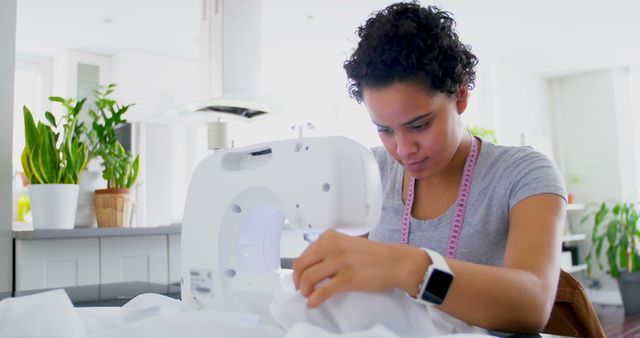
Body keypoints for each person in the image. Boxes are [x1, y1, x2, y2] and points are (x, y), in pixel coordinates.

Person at [293, 1, 567, 334]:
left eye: (420, 125)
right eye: (385, 129)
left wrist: (408, 267)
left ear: (461, 97)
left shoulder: (524, 173)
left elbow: (532, 305)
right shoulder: (369, 171)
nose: (403, 149)